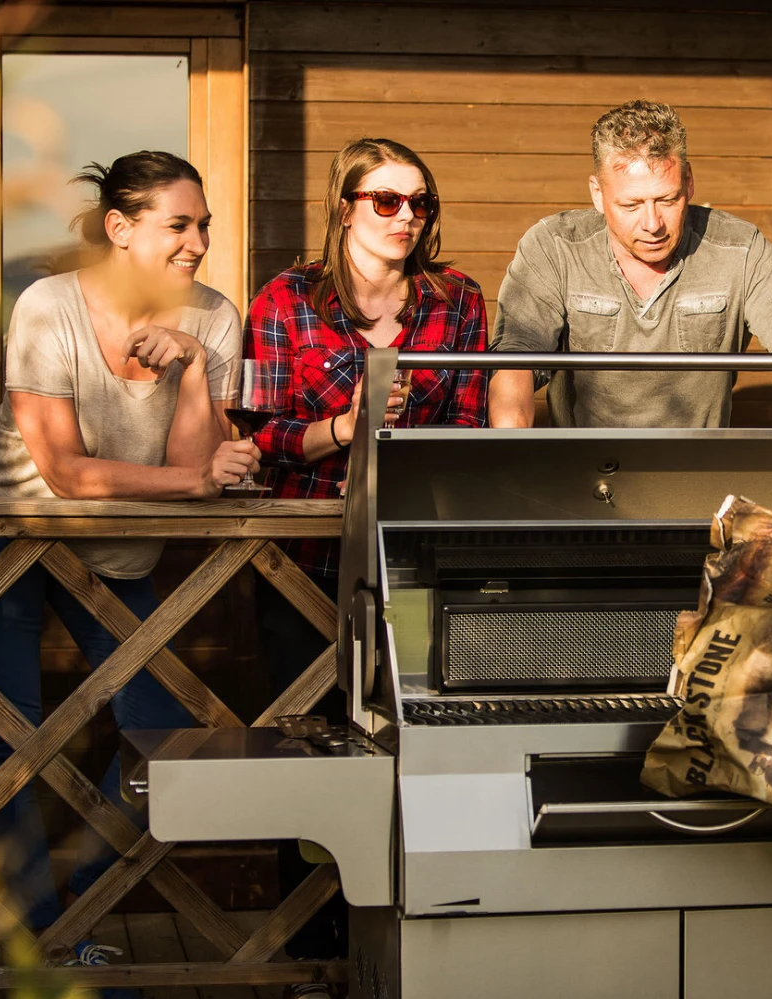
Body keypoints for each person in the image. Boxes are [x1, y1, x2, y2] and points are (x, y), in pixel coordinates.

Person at [0, 151, 259, 966]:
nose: (197, 242)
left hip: (117, 545)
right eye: (179, 225)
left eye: (204, 226)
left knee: (160, 732)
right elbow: (67, 472)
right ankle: (42, 939)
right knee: (11, 736)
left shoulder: (215, 317)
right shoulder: (50, 305)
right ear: (120, 228)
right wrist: (198, 477)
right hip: (4, 526)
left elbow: (196, 480)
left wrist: (190, 363)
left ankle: (83, 913)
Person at [244, 137, 488, 978]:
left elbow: (468, 421)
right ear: (343, 204)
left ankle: (419, 939)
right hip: (304, 558)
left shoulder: (455, 298)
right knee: (304, 749)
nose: (405, 217)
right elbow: (266, 432)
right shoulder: (286, 298)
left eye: (418, 201)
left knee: (419, 742)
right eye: (385, 200)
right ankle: (312, 953)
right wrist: (348, 430)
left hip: (416, 554)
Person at [487, 99, 772, 429]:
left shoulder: (741, 250)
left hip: (696, 477)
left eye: (668, 199)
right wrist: (514, 465)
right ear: (597, 194)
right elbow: (512, 362)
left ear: (688, 181)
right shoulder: (554, 247)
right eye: (631, 205)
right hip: (578, 477)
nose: (653, 223)